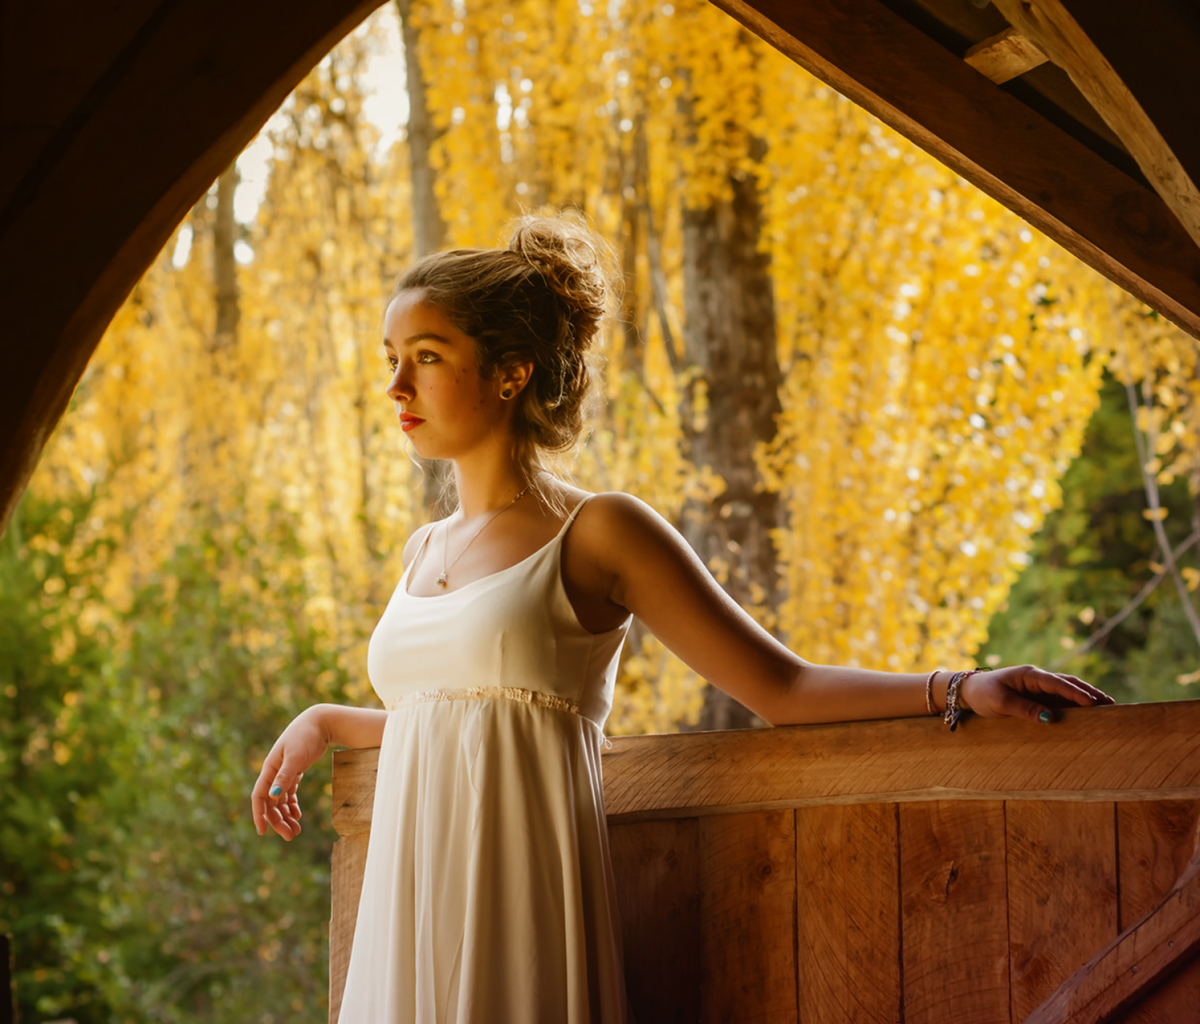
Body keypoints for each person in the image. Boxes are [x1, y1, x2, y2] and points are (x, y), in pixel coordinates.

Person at [250, 214, 1113, 1023]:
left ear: (510, 371)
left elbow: (782, 686)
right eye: (391, 356)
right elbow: (459, 721)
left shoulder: (598, 531)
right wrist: (327, 720)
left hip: (520, 910)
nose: (396, 384)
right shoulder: (419, 551)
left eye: (427, 356)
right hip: (408, 907)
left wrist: (958, 686)